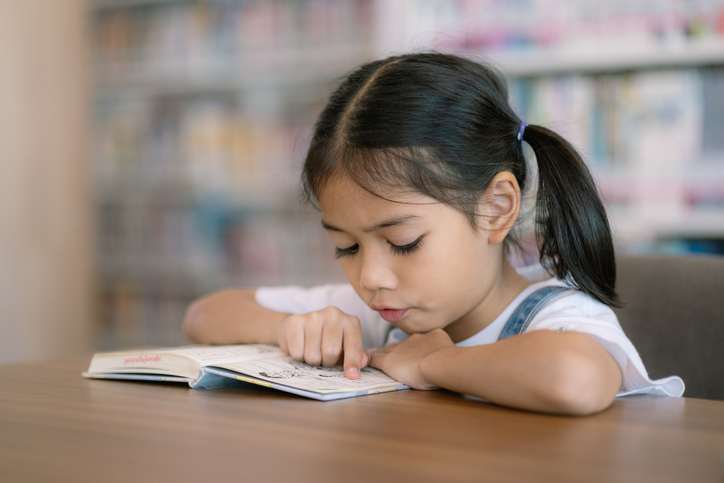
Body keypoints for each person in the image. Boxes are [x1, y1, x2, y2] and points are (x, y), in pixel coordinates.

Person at [182, 53, 684, 415]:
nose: (372, 278)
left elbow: (574, 378)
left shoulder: (557, 316)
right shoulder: (384, 313)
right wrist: (289, 330)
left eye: (403, 242)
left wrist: (433, 364)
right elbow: (206, 314)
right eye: (347, 247)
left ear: (496, 208)